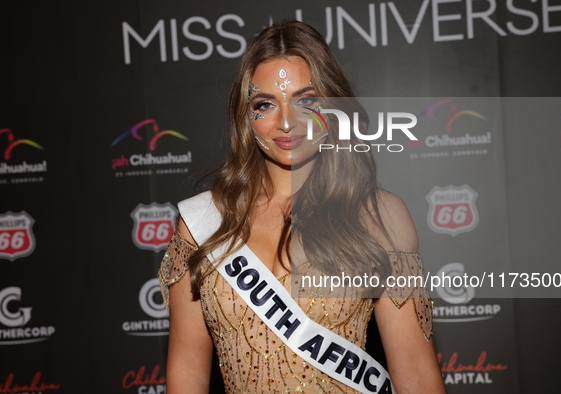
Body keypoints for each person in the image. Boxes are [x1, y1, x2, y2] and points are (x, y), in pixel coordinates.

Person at [159, 21, 446, 394]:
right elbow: (185, 375)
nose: (287, 122)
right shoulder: (204, 222)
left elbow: (417, 377)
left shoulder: (379, 216)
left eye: (306, 101)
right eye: (265, 104)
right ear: (247, 117)